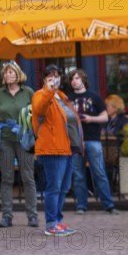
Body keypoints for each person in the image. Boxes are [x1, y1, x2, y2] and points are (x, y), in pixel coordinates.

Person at [31, 64, 83, 236]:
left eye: (57, 75)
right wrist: (49, 89)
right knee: (54, 187)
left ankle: (58, 221)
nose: (55, 79)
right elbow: (39, 109)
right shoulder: (41, 94)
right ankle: (51, 223)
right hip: (51, 149)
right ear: (45, 79)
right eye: (50, 76)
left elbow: (71, 120)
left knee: (63, 188)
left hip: (66, 148)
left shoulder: (61, 96)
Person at [0, 60, 37, 228]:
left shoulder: (28, 92)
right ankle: (7, 216)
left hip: (24, 139)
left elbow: (36, 115)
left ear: (18, 74)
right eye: (5, 73)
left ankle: (32, 216)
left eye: (10, 72)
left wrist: (34, 135)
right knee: (7, 178)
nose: (7, 75)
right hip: (6, 140)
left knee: (28, 177)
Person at [67, 69, 118, 215]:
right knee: (78, 174)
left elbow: (105, 117)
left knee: (99, 172)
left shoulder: (94, 96)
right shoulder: (68, 98)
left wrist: (91, 119)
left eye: (77, 78)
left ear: (83, 79)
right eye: (72, 79)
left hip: (93, 139)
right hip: (75, 141)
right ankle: (81, 205)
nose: (74, 81)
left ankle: (108, 204)